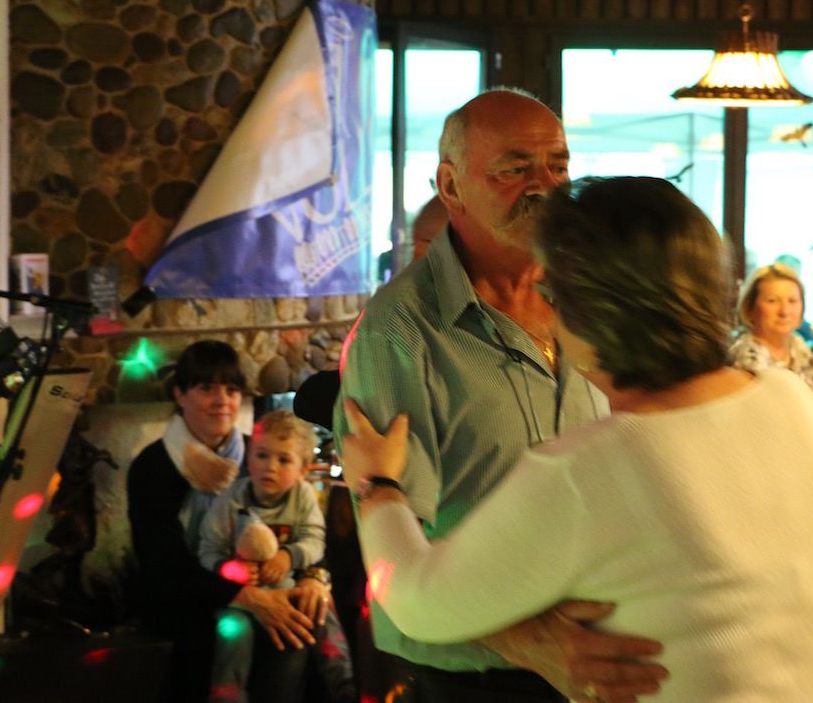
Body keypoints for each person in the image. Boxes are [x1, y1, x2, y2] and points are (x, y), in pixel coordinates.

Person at [340, 176, 813, 703]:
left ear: (585, 314)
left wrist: (378, 487)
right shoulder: (792, 398)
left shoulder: (590, 468)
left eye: (553, 291)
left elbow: (415, 602)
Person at [331, 88, 668, 703]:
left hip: (604, 658)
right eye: (515, 169)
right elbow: (397, 547)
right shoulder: (398, 333)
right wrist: (528, 641)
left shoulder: (589, 297)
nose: (545, 187)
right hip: (478, 678)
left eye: (558, 166)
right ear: (451, 186)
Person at [127, 340, 323, 703]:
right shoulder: (152, 468)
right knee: (224, 632)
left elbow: (303, 525)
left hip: (263, 583)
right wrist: (246, 597)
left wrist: (313, 577)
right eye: (207, 388)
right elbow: (164, 569)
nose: (222, 401)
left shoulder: (260, 453)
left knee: (300, 623)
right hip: (186, 598)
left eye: (231, 390)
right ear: (180, 394)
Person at [199, 409, 356, 703]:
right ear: (249, 458)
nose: (270, 466)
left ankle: (342, 679)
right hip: (241, 596)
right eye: (262, 455)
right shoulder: (230, 501)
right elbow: (207, 549)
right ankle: (227, 693)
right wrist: (229, 569)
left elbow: (314, 540)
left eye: (284, 460)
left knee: (319, 608)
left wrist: (288, 556)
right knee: (233, 631)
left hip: (287, 588)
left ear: (302, 470)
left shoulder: (303, 497)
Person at [728, 263, 813, 400]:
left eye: (792, 301)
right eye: (772, 301)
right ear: (750, 308)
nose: (785, 311)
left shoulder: (798, 345)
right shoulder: (745, 354)